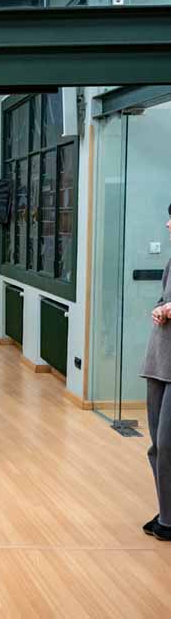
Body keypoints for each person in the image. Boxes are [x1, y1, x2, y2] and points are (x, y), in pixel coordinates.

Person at [139, 205, 171, 541]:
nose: (167, 223)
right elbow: (164, 299)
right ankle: (167, 511)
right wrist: (160, 308)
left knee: (168, 443)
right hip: (159, 361)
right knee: (157, 448)